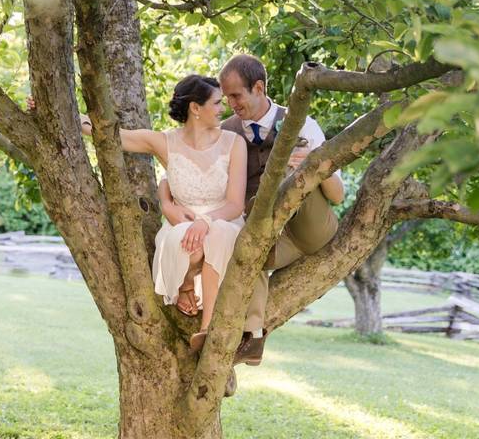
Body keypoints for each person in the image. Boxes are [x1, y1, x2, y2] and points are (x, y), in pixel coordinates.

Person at [159, 54, 344, 366]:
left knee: (289, 183)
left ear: (258, 88)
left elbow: (338, 196)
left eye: (235, 95)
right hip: (270, 240)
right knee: (245, 244)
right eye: (224, 96)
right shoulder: (224, 133)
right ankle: (254, 337)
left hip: (311, 229)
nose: (229, 103)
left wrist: (316, 165)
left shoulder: (302, 124)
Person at [80, 74, 247, 352]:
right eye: (217, 103)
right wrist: (56, 111)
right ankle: (184, 287)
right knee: (189, 246)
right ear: (196, 108)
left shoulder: (233, 143)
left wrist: (205, 222)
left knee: (217, 236)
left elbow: (235, 204)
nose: (223, 108)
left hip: (222, 220)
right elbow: (106, 133)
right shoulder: (164, 142)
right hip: (180, 223)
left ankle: (206, 330)